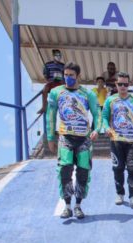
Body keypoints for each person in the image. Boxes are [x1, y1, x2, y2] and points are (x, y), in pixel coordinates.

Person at [46, 62, 100, 219]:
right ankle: (67, 206)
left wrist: (96, 130)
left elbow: (97, 114)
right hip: (65, 138)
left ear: (78, 76)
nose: (67, 78)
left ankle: (78, 206)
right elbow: (50, 115)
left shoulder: (87, 94)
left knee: (83, 173)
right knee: (65, 171)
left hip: (84, 139)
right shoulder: (56, 93)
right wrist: (50, 137)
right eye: (66, 75)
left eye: (71, 75)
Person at [101, 72, 133, 209]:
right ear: (116, 84)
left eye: (125, 84)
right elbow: (104, 117)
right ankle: (120, 193)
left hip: (132, 141)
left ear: (129, 85)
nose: (122, 86)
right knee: (118, 168)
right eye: (120, 84)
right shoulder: (110, 100)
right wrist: (106, 128)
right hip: (116, 141)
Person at [39, 49, 65, 114]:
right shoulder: (47, 65)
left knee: (64, 91)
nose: (58, 57)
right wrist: (48, 81)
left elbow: (65, 76)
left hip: (60, 83)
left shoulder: (63, 66)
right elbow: (45, 75)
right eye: (57, 55)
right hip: (51, 83)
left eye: (59, 55)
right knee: (45, 89)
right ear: (53, 56)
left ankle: (63, 107)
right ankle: (44, 107)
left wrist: (62, 80)